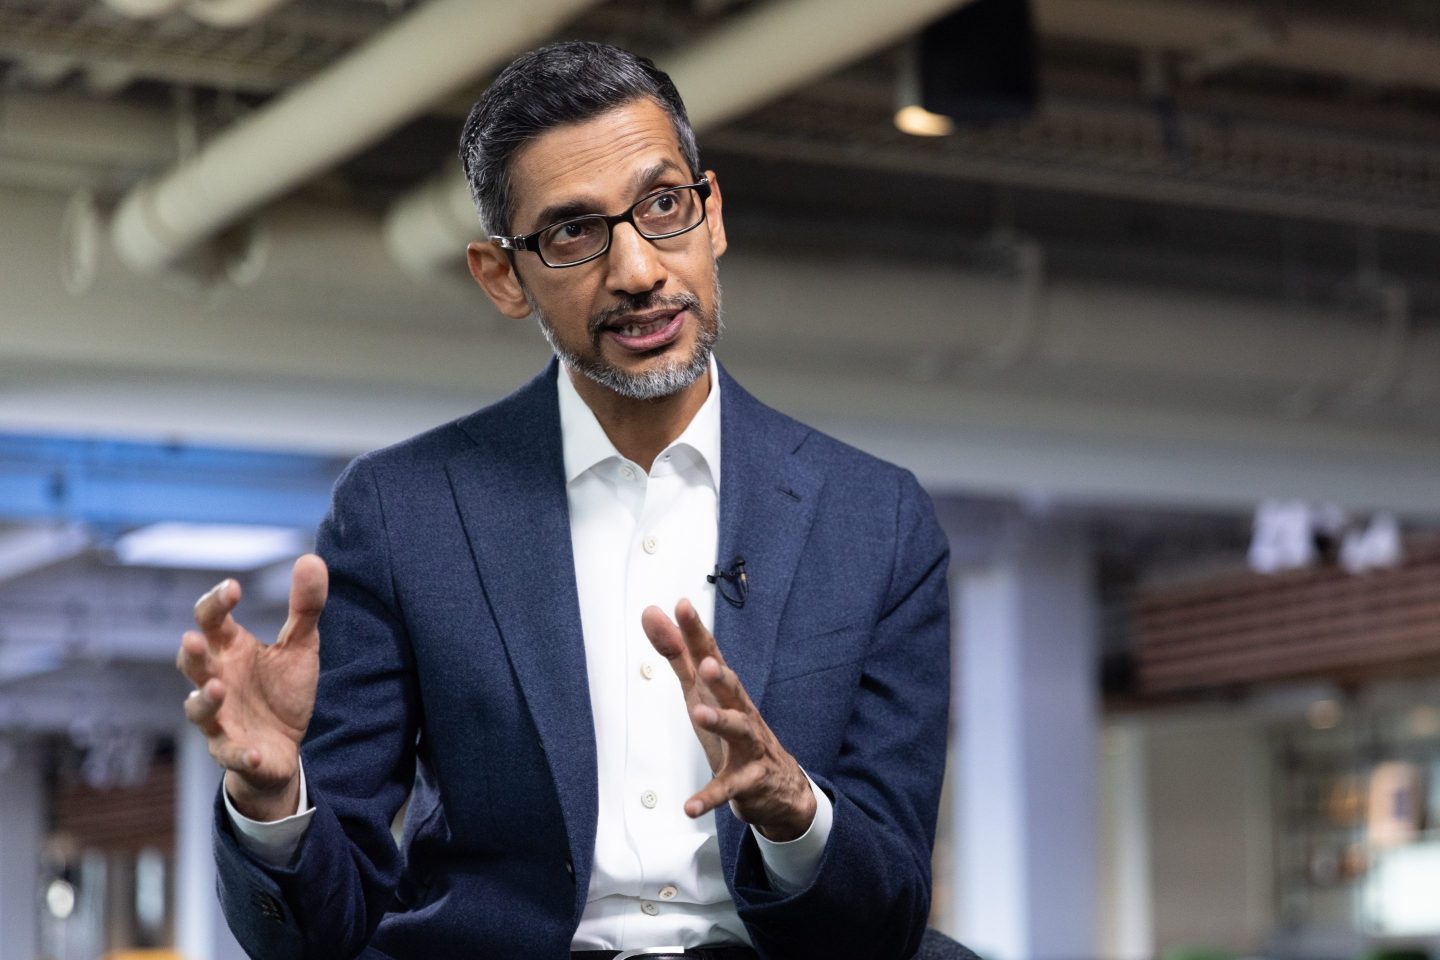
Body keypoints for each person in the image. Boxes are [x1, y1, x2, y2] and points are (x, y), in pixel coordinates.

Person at [177, 41, 950, 960]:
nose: (635, 271)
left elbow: (887, 909)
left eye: (662, 206)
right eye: (574, 232)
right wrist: (273, 804)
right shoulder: (404, 513)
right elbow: (322, 930)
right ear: (503, 276)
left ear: (712, 217)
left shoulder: (876, 519)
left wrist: (793, 810)